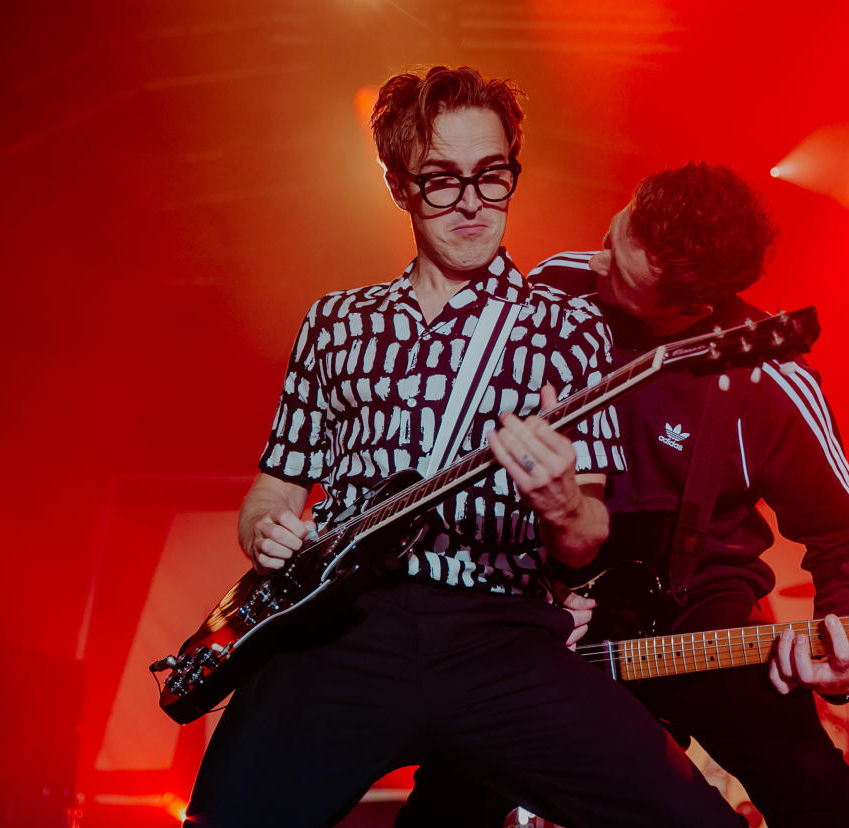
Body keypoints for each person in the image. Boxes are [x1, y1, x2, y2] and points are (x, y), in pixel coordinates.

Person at [182, 68, 744, 828]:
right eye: (442, 181)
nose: (474, 202)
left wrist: (560, 501)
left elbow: (585, 541)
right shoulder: (334, 323)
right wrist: (269, 531)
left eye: (493, 175)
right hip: (345, 630)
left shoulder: (570, 328)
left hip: (501, 631)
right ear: (397, 187)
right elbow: (275, 489)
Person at [398, 162, 849, 827]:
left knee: (823, 801)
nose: (598, 262)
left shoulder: (769, 380)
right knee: (449, 804)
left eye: (623, 276)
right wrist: (527, 596)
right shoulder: (552, 288)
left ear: (692, 307)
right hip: (544, 616)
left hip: (699, 617)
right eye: (617, 229)